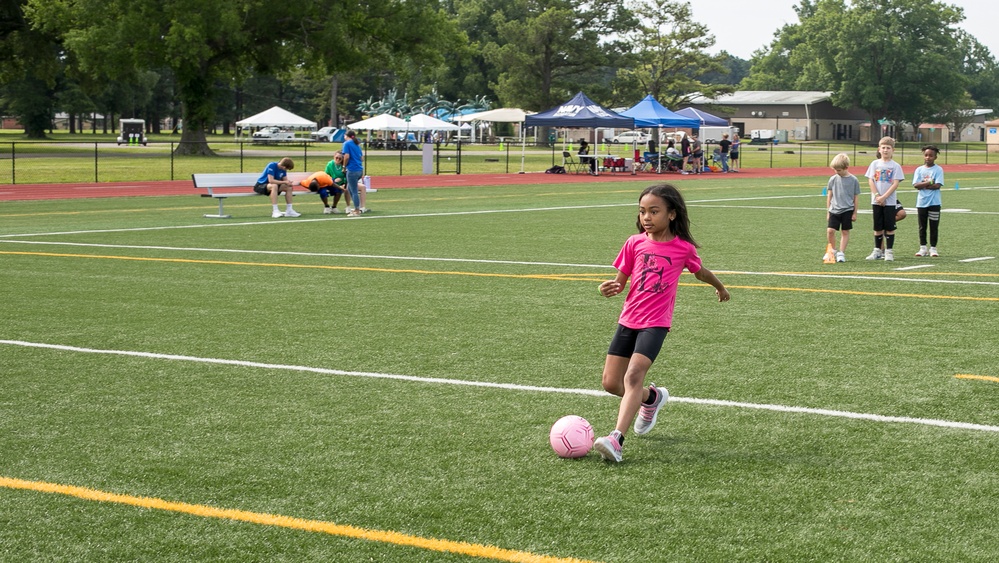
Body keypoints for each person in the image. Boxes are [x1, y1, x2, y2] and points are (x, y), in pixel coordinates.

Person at [592, 183, 730, 463]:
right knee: (610, 383)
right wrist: (614, 287)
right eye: (642, 211)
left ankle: (616, 439)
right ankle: (651, 399)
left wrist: (720, 286)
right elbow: (622, 279)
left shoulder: (682, 248)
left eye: (654, 211)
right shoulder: (634, 243)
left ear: (671, 214)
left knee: (632, 376)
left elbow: (700, 271)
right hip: (628, 320)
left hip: (655, 323)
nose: (646, 217)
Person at [864, 136, 904, 261]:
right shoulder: (874, 164)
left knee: (889, 227)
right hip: (876, 201)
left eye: (888, 148)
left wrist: (885, 197)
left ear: (893, 150)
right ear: (879, 149)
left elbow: (895, 183)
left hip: (889, 201)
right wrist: (877, 196)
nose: (885, 150)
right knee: (877, 227)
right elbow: (871, 180)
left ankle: (889, 251)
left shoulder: (895, 166)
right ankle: (877, 250)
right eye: (883, 148)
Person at [825, 153, 861, 263]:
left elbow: (856, 197)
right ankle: (833, 250)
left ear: (846, 168)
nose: (836, 172)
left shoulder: (854, 180)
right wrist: (828, 211)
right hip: (834, 210)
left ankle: (841, 252)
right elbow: (829, 195)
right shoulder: (832, 179)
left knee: (845, 231)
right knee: (830, 231)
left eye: (839, 170)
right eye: (835, 170)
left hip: (847, 210)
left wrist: (854, 213)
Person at [912, 145, 944, 257]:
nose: (928, 157)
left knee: (934, 226)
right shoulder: (919, 170)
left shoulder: (938, 169)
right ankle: (923, 247)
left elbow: (937, 185)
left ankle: (933, 248)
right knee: (922, 226)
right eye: (926, 155)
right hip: (921, 202)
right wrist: (929, 182)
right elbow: (916, 185)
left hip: (934, 202)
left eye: (931, 155)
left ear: (935, 157)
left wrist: (924, 184)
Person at [341, 130, 366, 216]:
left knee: (354, 190)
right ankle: (356, 207)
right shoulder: (357, 144)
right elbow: (362, 158)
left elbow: (346, 156)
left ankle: (357, 210)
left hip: (352, 170)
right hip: (359, 170)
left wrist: (344, 166)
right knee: (349, 188)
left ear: (346, 135)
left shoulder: (346, 144)